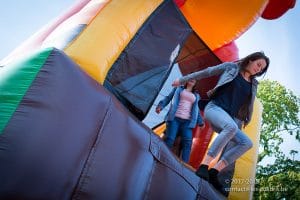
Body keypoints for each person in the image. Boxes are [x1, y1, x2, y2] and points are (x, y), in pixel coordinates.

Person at [172, 52, 270, 193]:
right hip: (214, 108)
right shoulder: (231, 68)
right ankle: (204, 166)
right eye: (258, 65)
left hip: (229, 118)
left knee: (246, 143)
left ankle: (214, 172)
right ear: (250, 60)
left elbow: (248, 105)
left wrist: (246, 119)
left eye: (261, 69)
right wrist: (182, 80)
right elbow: (206, 72)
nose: (259, 69)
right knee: (231, 127)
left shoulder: (253, 84)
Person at [156, 79, 204, 163]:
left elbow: (196, 110)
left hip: (187, 122)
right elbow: (168, 98)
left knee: (188, 143)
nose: (192, 79)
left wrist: (200, 122)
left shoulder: (196, 95)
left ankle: (184, 165)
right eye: (191, 77)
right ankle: (161, 157)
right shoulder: (178, 89)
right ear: (187, 80)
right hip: (175, 118)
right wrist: (161, 106)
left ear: (196, 83)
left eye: (194, 79)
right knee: (170, 139)